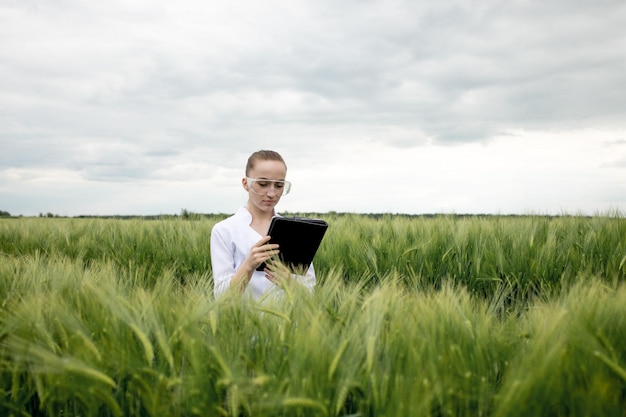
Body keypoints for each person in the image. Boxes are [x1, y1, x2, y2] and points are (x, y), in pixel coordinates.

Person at [210, 150, 316, 300]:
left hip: (289, 323)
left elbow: (311, 296)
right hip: (241, 323)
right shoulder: (224, 231)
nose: (272, 193)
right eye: (263, 184)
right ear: (245, 184)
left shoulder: (297, 231)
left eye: (279, 185)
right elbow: (221, 298)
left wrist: (290, 283)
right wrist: (248, 265)